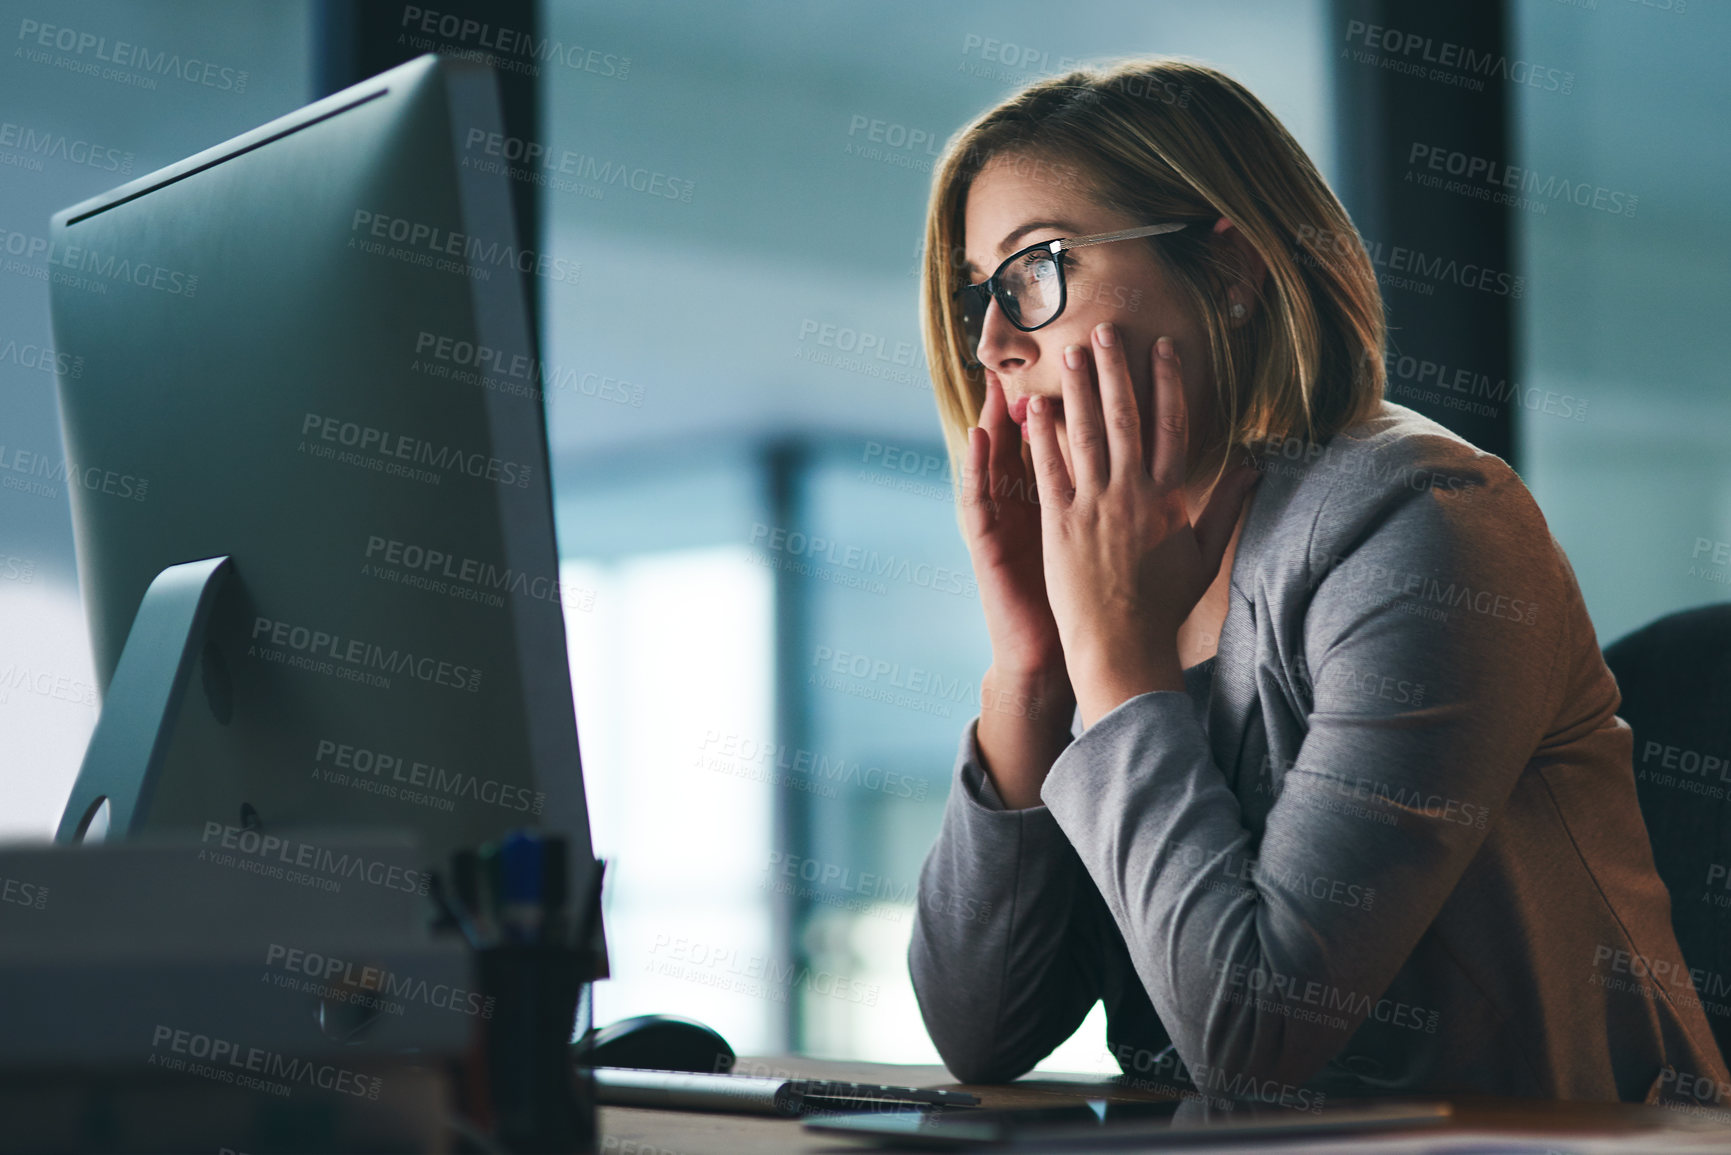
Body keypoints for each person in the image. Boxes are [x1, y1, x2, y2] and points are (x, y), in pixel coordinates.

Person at [907, 57, 1728, 1108]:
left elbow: (1255, 1047)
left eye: (1037, 269)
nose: (995, 342)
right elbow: (982, 1033)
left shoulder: (1426, 524)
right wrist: (1030, 669)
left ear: (1232, 270)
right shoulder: (1112, 571)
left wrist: (1114, 662)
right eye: (980, 293)